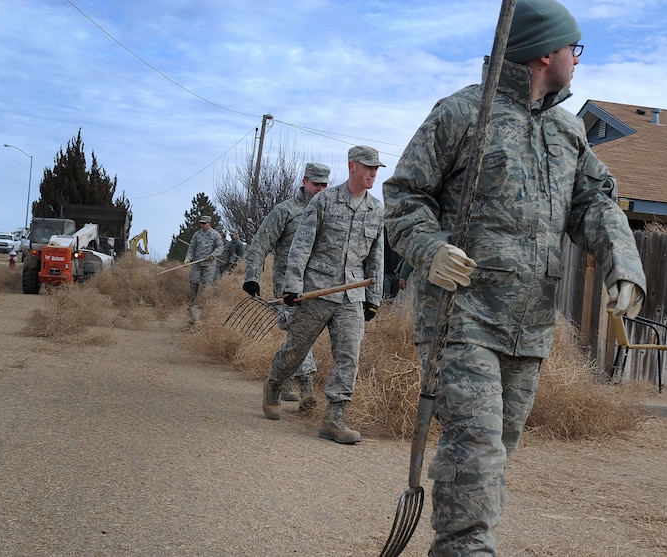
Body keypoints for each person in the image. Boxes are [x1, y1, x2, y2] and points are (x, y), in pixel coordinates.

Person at [382, 1, 646, 554]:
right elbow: (404, 196)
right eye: (575, 48)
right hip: (463, 318)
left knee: (494, 454)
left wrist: (623, 263)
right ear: (545, 53)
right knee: (473, 456)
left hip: (528, 328)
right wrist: (429, 249)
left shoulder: (568, 131)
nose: (578, 59)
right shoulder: (461, 115)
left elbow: (595, 202)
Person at [261, 146, 385, 444]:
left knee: (348, 356)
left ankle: (334, 418)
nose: (373, 174)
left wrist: (374, 298)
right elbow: (301, 245)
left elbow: (375, 256)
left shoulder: (376, 209)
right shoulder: (325, 201)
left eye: (376, 169)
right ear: (352, 166)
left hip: (351, 295)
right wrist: (293, 286)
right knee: (296, 350)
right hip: (316, 291)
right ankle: (274, 385)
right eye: (368, 167)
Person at [243, 162, 330, 409]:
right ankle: (307, 390)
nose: (321, 189)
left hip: (317, 287)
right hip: (288, 288)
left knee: (300, 337)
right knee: (299, 333)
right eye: (316, 184)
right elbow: (260, 243)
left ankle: (282, 381)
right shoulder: (286, 211)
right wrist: (251, 277)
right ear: (305, 182)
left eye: (325, 184)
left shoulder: (329, 214)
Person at [184, 215, 224, 299]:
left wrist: (213, 255)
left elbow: (220, 247)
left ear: (209, 223)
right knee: (194, 281)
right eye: (201, 223)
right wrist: (188, 258)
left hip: (209, 264)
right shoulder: (197, 234)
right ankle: (193, 299)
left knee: (206, 283)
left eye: (203, 223)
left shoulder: (215, 235)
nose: (202, 225)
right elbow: (192, 247)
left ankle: (201, 301)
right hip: (197, 263)